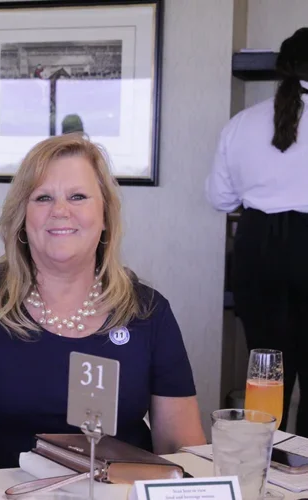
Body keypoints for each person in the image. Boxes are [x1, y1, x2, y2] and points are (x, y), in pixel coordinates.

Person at [0, 134, 206, 470]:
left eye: (78, 197)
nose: (60, 211)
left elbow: (181, 448)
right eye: (43, 198)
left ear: (105, 216)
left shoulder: (148, 312)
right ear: (22, 218)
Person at [205, 27, 308, 434]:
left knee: (266, 369)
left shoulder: (242, 123)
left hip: (257, 248)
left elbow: (220, 199)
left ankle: (264, 468)